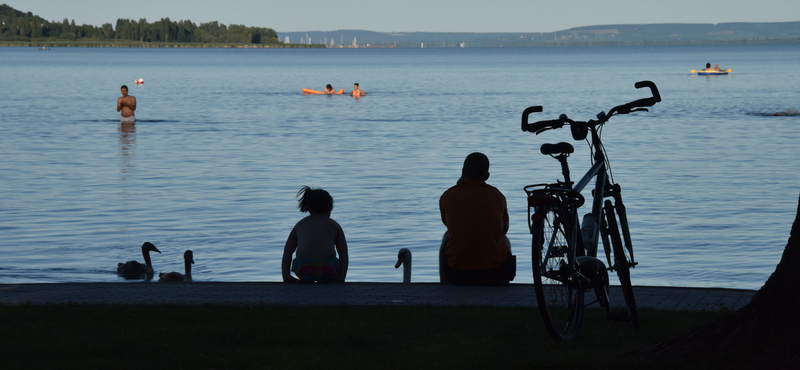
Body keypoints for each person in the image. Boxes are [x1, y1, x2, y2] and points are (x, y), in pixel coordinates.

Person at [438, 152, 515, 286]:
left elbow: (449, 226)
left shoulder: (448, 196)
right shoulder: (498, 196)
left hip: (458, 273)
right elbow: (504, 229)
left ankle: (445, 286)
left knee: (446, 236)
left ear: (463, 172)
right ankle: (504, 286)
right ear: (487, 176)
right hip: (494, 273)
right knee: (505, 239)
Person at [282, 186, 349, 283]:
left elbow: (287, 251)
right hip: (327, 271)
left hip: (303, 271)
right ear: (329, 207)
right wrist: (341, 277)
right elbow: (343, 253)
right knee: (335, 258)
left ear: (308, 207)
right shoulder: (334, 225)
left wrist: (286, 276)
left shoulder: (300, 224)